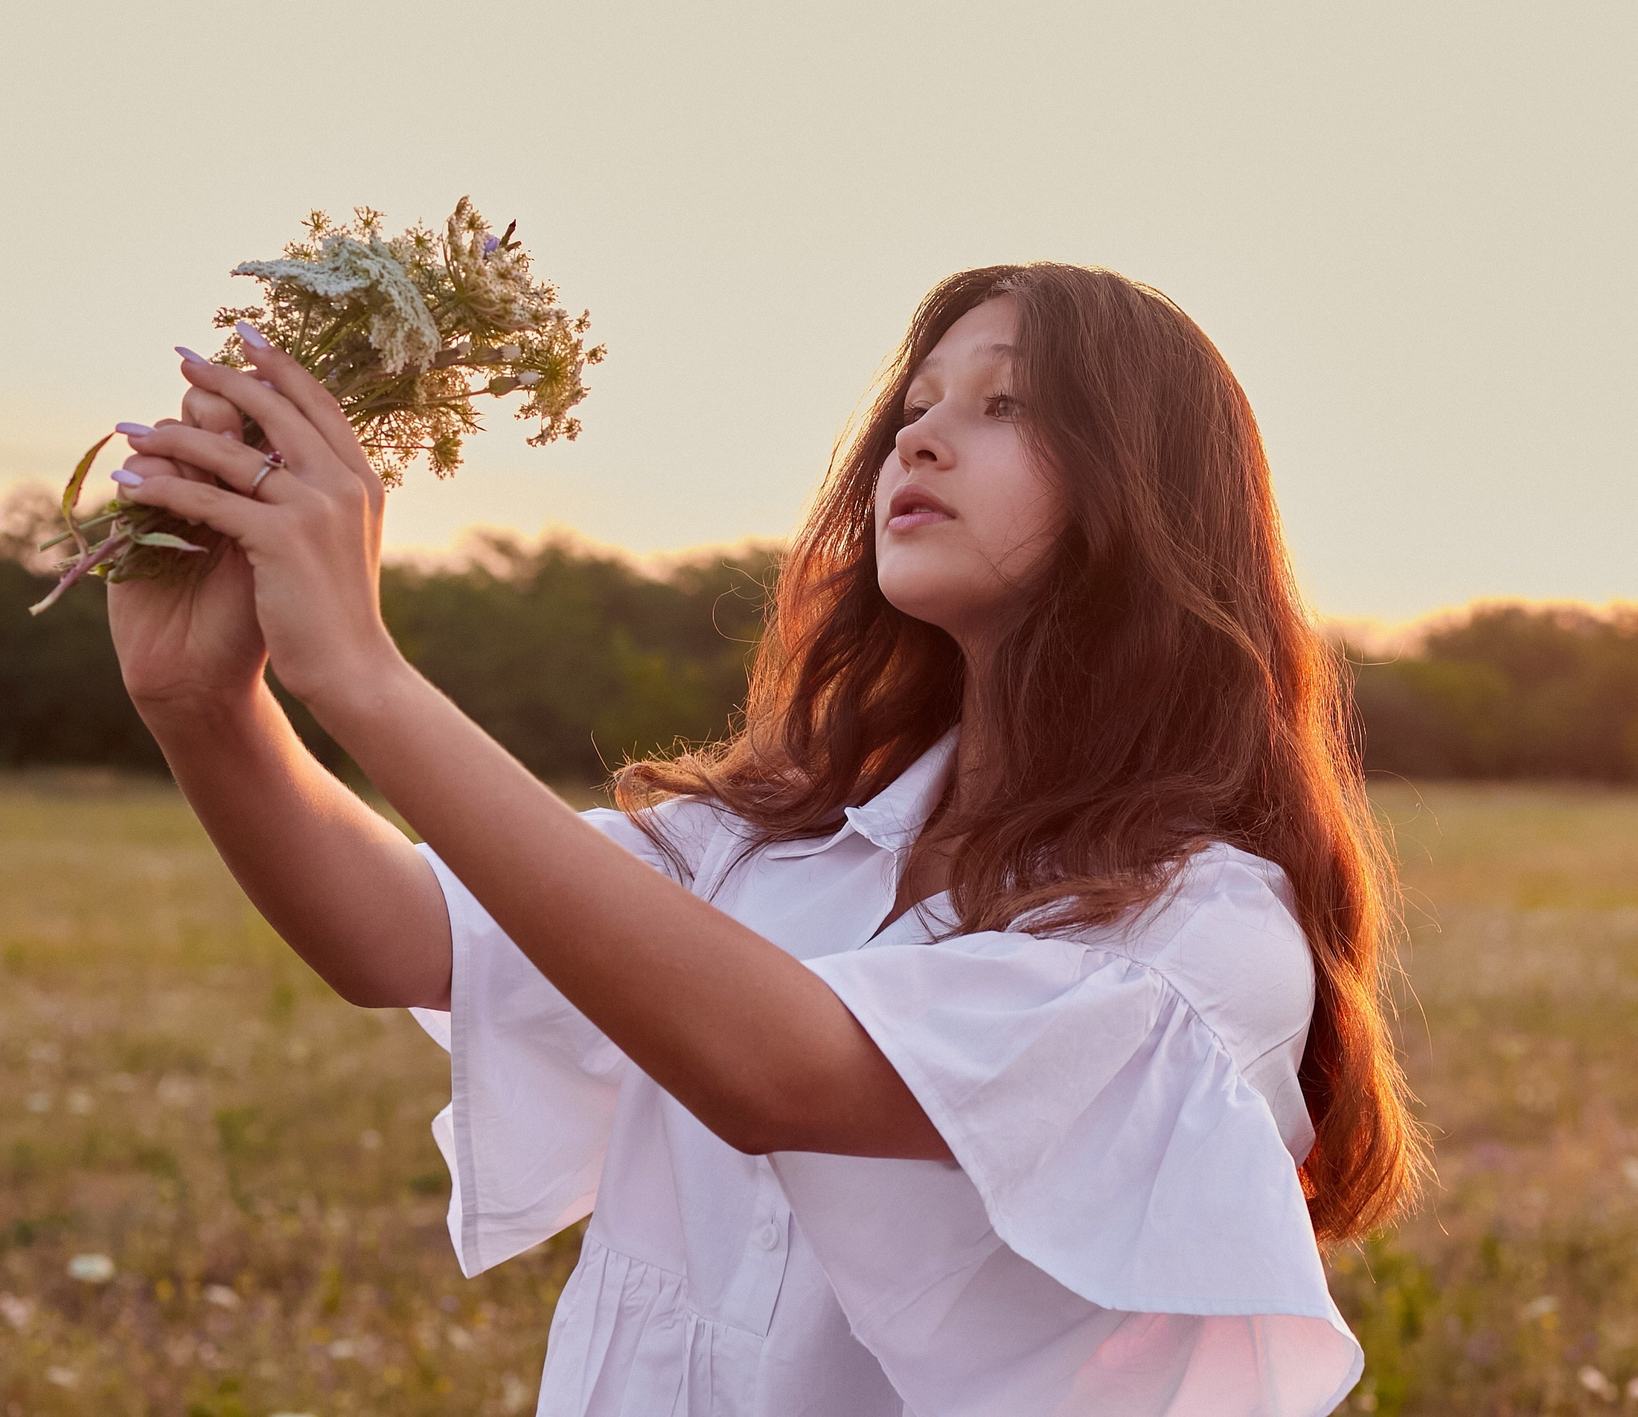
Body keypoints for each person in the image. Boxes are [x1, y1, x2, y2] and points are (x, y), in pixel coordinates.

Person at [105, 262, 1422, 1416]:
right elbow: (395, 933)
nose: (921, 440)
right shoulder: (769, 838)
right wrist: (206, 708)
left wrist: (365, 674)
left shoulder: (1197, 937)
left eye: (1002, 404)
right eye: (914, 411)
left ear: (1151, 487)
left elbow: (776, 1069)